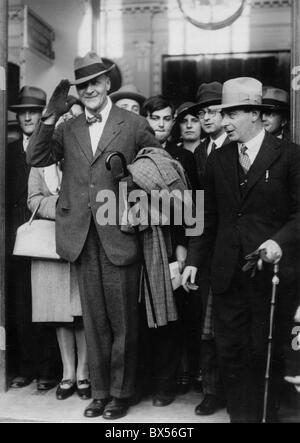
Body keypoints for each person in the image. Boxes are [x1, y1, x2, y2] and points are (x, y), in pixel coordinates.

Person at [27, 52, 161, 420]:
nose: (89, 89)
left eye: (95, 83)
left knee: (123, 322)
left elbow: (157, 168)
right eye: (82, 84)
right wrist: (50, 116)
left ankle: (121, 393)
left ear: (107, 85)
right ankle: (100, 392)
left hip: (120, 234)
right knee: (94, 321)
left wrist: (133, 197)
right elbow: (36, 157)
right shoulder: (66, 128)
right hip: (81, 236)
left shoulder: (133, 124)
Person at [182, 77, 300, 423]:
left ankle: (265, 416)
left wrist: (280, 241)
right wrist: (193, 260)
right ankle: (240, 417)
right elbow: (208, 216)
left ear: (255, 115)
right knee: (230, 350)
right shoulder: (218, 160)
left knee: (262, 351)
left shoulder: (290, 156)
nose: (225, 122)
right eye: (223, 114)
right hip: (226, 273)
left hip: (270, 276)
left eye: (232, 114)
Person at [27, 99, 91, 402]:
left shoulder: (86, 157)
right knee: (58, 314)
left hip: (82, 242)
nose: (67, 123)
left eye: (73, 118)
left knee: (82, 312)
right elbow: (33, 200)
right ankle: (67, 372)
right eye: (63, 117)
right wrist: (64, 208)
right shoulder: (42, 161)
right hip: (49, 246)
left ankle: (84, 372)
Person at [7, 86, 59, 391]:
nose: (27, 117)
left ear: (43, 117)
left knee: (48, 302)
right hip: (17, 237)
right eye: (22, 112)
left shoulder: (53, 148)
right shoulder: (8, 150)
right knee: (20, 304)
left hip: (47, 233)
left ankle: (48, 369)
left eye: (33, 111)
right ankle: (26, 366)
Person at [191, 82, 229, 416]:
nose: (205, 117)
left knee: (232, 323)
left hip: (233, 247)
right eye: (201, 112)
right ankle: (211, 391)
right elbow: (197, 208)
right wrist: (192, 256)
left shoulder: (237, 147)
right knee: (208, 325)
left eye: (212, 110)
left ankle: (233, 390)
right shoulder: (200, 152)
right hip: (207, 249)